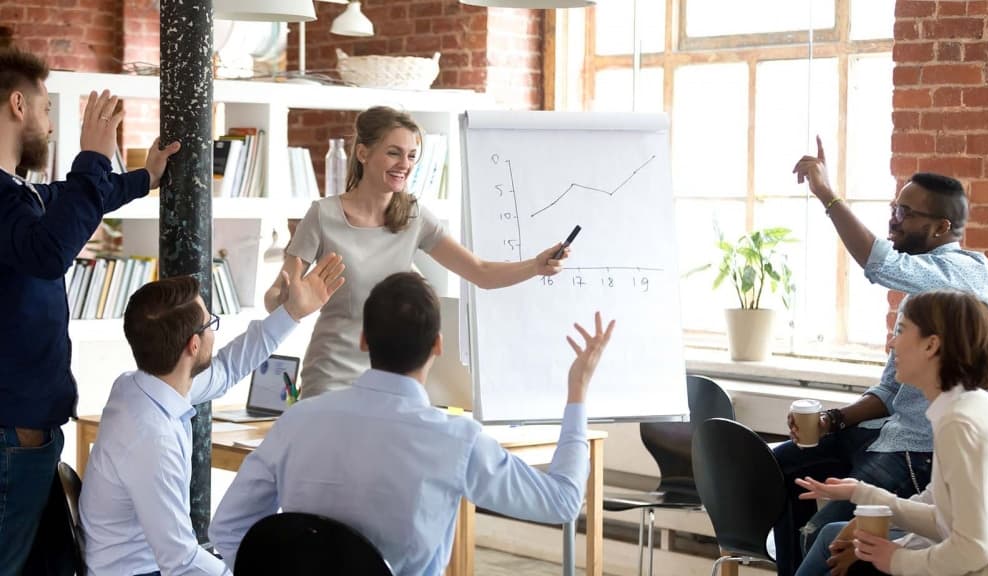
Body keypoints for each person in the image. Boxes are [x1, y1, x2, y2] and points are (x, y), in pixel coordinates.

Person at [211, 272, 615, 575]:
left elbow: (227, 528)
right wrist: (577, 391)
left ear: (364, 340)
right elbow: (561, 502)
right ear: (438, 344)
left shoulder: (298, 420)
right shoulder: (457, 440)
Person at [772, 137, 988, 576]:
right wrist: (833, 420)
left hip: (917, 450)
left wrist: (826, 192)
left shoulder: (960, 271)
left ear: (941, 228)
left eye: (905, 213)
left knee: (824, 532)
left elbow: (878, 264)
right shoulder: (922, 292)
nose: (893, 220)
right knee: (780, 468)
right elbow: (892, 387)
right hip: (889, 431)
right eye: (895, 207)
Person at [0, 48, 180, 575]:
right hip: (12, 433)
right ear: (17, 105)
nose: (50, 126)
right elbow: (50, 250)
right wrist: (95, 156)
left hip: (24, 429)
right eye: (46, 110)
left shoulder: (17, 193)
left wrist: (143, 177)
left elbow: (64, 203)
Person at [264, 106, 570, 397]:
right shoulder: (322, 215)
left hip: (394, 380)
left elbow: (481, 272)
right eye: (394, 153)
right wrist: (285, 299)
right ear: (363, 153)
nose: (405, 165)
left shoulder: (413, 217)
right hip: (331, 377)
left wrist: (535, 265)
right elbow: (275, 295)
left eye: (411, 156)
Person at [78, 255, 345, 576]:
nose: (214, 330)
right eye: (210, 323)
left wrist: (291, 314)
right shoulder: (151, 440)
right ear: (193, 345)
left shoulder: (136, 387)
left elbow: (227, 368)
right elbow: (180, 561)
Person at [794, 290, 988, 576]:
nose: (891, 343)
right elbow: (944, 518)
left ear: (931, 345)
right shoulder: (975, 407)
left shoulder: (960, 423)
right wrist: (861, 492)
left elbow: (975, 548)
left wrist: (897, 560)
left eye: (901, 330)